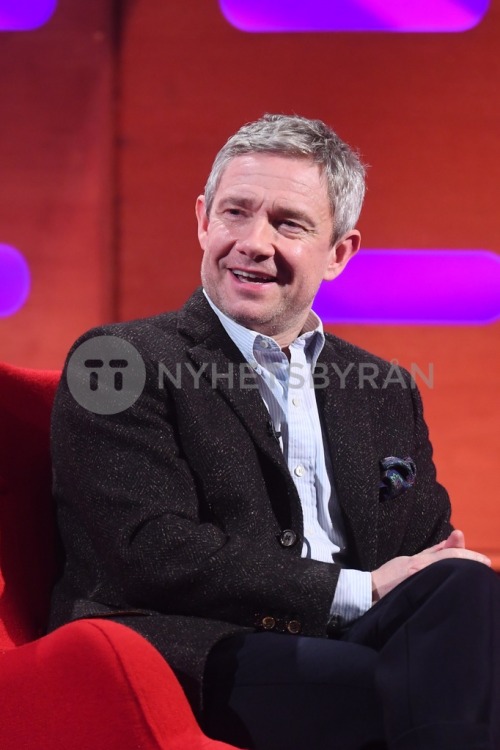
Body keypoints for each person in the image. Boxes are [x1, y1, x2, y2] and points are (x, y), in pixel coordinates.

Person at [49, 114, 500, 750]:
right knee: (419, 688)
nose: (253, 241)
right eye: (236, 213)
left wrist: (437, 566)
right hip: (194, 646)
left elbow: (419, 546)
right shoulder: (116, 359)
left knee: (466, 585)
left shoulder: (382, 385)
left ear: (339, 253)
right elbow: (149, 550)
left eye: (287, 223)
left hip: (344, 639)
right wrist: (359, 589)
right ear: (203, 220)